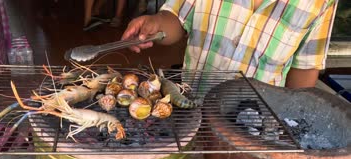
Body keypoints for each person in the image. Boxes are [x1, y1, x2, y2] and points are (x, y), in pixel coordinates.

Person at [121, 0, 338, 88]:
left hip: (260, 123)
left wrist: (292, 121)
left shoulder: (321, 2)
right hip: (193, 107)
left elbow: (306, 67)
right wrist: (156, 23)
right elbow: (176, 19)